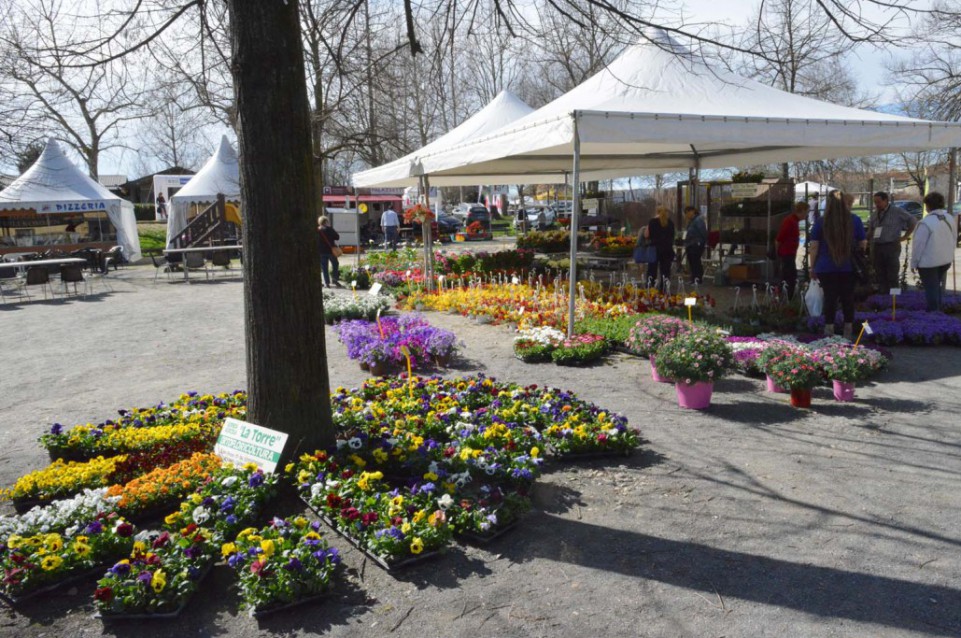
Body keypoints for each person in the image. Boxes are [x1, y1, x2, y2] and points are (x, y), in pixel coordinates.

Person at [808, 190, 867, 339]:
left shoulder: (821, 221)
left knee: (830, 297)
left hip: (825, 266)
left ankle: (829, 329)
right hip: (848, 266)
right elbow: (863, 244)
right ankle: (848, 329)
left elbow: (814, 246)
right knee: (848, 298)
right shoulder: (854, 220)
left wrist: (812, 266)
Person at [910, 191, 957, 311]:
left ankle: (934, 313)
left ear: (928, 205)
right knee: (937, 287)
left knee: (931, 288)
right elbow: (954, 237)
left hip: (929, 263)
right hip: (945, 260)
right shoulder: (950, 218)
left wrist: (914, 263)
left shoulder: (925, 223)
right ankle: (938, 310)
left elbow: (918, 246)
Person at [868, 191, 916, 293]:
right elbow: (871, 230)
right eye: (875, 202)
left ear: (886, 200)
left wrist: (905, 236)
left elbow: (912, 221)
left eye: (879, 202)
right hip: (877, 246)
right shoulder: (874, 214)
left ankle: (895, 299)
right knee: (880, 274)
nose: (877, 204)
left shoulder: (896, 211)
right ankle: (883, 297)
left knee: (892, 275)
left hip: (891, 246)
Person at [775, 201, 809, 299]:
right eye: (806, 212)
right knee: (789, 277)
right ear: (801, 211)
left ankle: (786, 295)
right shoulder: (790, 221)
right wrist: (778, 252)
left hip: (790, 253)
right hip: (786, 253)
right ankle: (786, 296)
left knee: (789, 276)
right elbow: (779, 238)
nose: (807, 215)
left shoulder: (793, 221)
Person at [642, 206, 675, 291]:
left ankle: (650, 288)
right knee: (665, 271)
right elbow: (672, 236)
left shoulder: (652, 222)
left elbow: (646, 235)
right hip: (667, 249)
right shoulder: (670, 223)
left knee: (652, 270)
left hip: (654, 249)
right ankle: (664, 289)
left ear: (657, 212)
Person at [683, 206, 707, 284]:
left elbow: (703, 232)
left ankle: (698, 279)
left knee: (695, 261)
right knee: (692, 262)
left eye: (687, 213)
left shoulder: (698, 220)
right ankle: (693, 278)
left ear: (692, 211)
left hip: (696, 244)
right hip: (690, 244)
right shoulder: (691, 221)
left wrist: (702, 242)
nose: (686, 215)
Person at [317, 215, 342, 288]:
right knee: (335, 264)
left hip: (321, 251)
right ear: (326, 222)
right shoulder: (330, 229)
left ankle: (326, 283)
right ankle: (334, 279)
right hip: (331, 251)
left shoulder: (318, 230)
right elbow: (337, 237)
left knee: (324, 267)